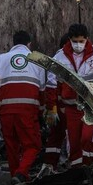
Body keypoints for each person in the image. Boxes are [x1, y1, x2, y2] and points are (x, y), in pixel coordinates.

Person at [50, 24, 93, 167]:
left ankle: (90, 167)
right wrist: (53, 107)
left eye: (81, 41)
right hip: (71, 107)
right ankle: (77, 172)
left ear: (87, 39)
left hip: (91, 106)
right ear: (69, 39)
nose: (78, 45)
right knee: (74, 143)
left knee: (88, 138)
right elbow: (52, 83)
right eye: (75, 41)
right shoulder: (60, 56)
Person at [0, 31, 45, 184]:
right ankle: (21, 173)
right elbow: (42, 90)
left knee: (11, 145)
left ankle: (16, 177)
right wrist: (41, 111)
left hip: (4, 108)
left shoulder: (0, 59)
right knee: (33, 145)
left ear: (13, 44)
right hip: (27, 107)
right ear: (29, 44)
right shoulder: (38, 59)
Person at [40, 35, 69, 176]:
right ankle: (50, 165)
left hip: (61, 105)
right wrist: (51, 108)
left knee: (56, 136)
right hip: (62, 105)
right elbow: (51, 86)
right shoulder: (60, 60)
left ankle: (50, 164)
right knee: (57, 135)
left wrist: (51, 107)